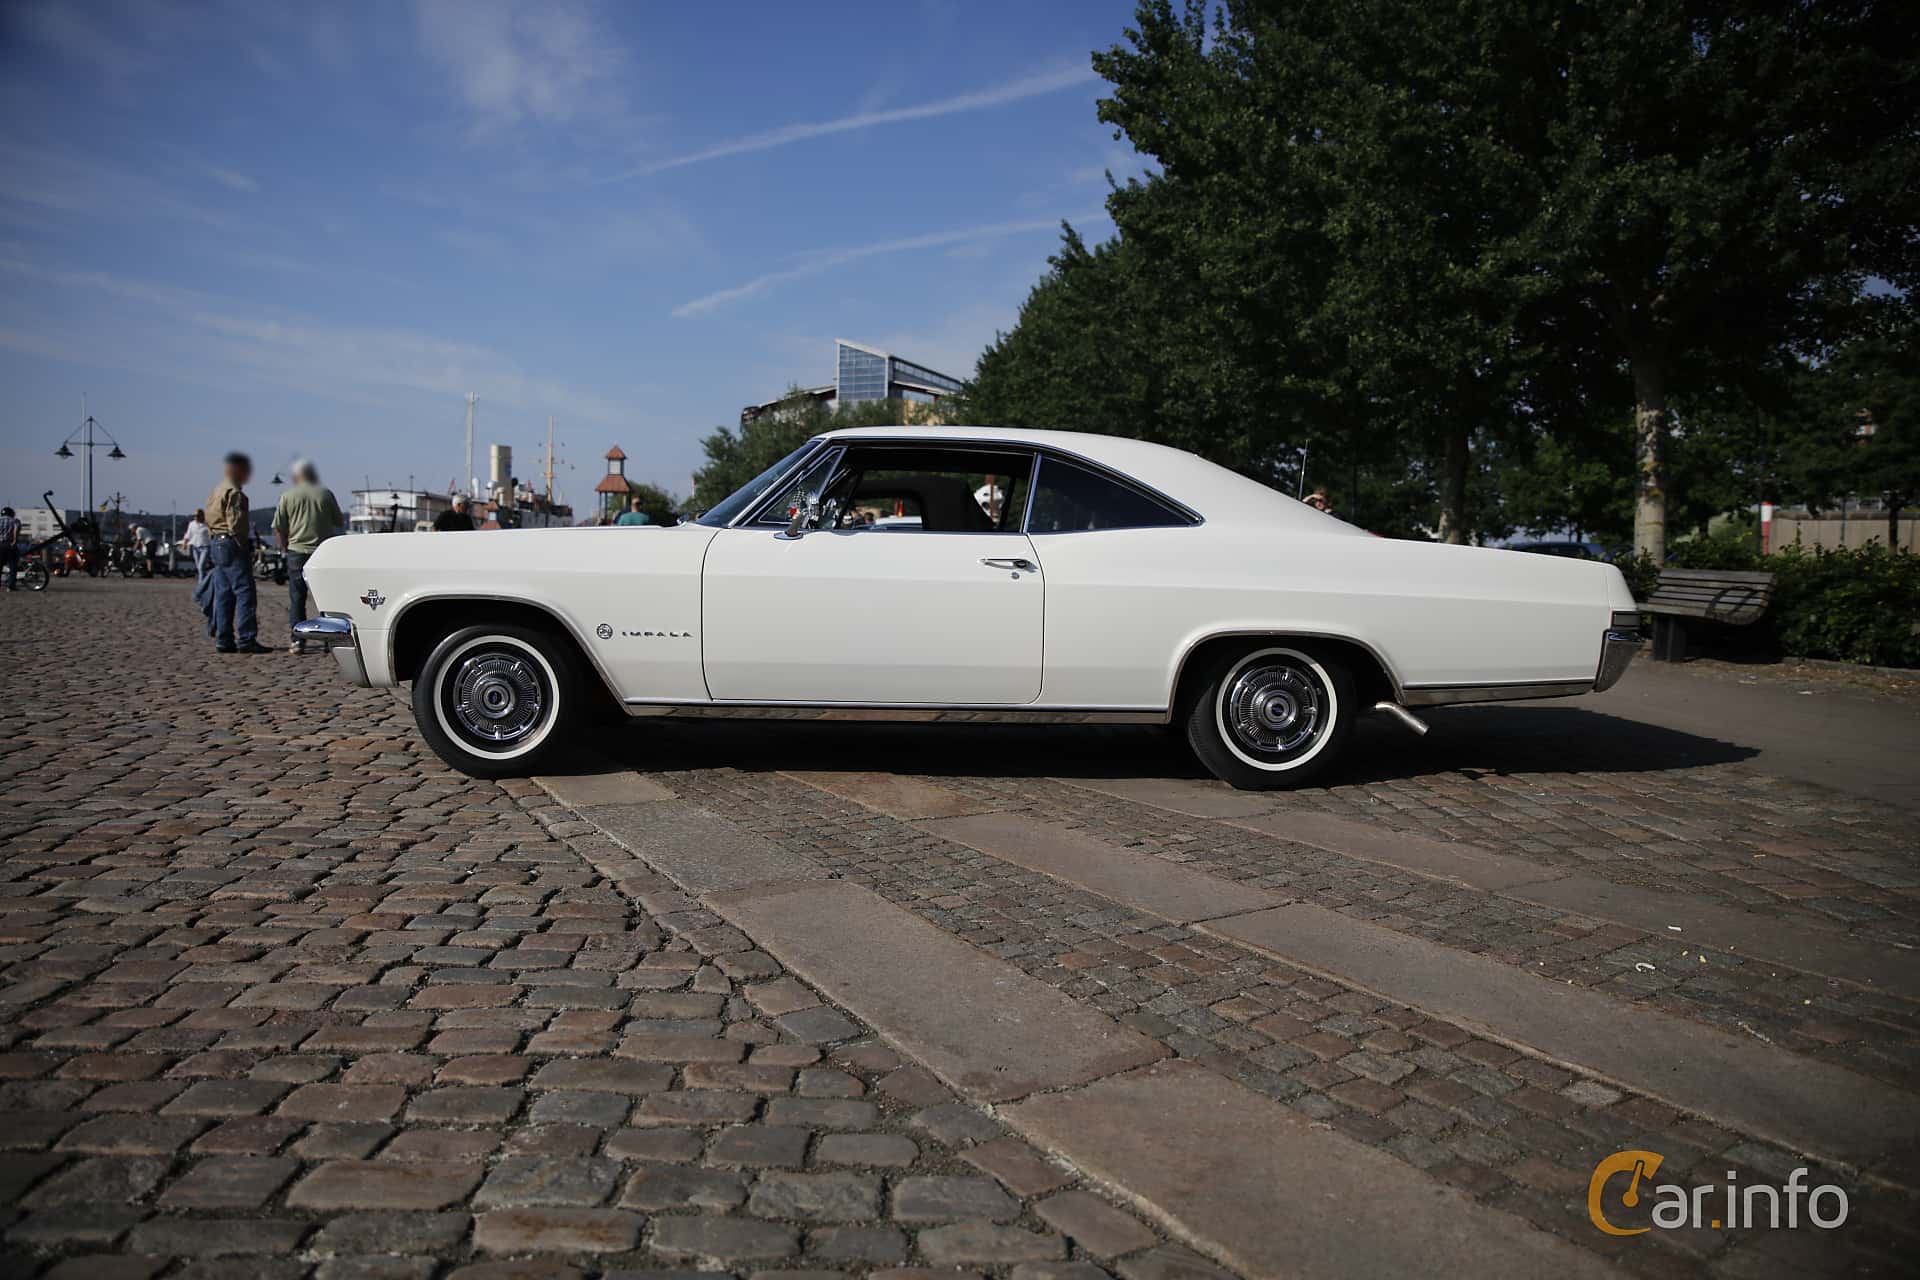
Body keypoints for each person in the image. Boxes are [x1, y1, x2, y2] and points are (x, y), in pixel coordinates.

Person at [274, 458, 345, 654]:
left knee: (297, 598)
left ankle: (297, 641)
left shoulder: (287, 496)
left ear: (296, 476)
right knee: (325, 598)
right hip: (322, 552)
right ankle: (327, 640)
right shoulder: (325, 494)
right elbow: (338, 520)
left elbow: (278, 527)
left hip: (296, 551)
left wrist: (285, 547)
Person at [205, 452, 269, 654]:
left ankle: (224, 639)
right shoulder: (235, 493)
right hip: (231, 542)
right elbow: (236, 524)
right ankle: (246, 638)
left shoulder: (216, 491)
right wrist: (244, 546)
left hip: (216, 540)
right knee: (244, 592)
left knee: (224, 593)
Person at [184, 508, 211, 583]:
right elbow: (188, 534)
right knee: (198, 567)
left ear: (202, 516)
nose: (196, 517)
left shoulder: (207, 524)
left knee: (201, 566)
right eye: (195, 516)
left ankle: (201, 584)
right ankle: (205, 581)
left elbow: (211, 534)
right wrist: (185, 543)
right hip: (195, 547)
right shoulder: (192, 524)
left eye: (198, 516)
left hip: (205, 547)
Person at [0, 506, 19, 592]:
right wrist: (14, 542)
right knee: (13, 566)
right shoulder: (14, 521)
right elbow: (15, 532)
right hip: (9, 544)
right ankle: (11, 586)